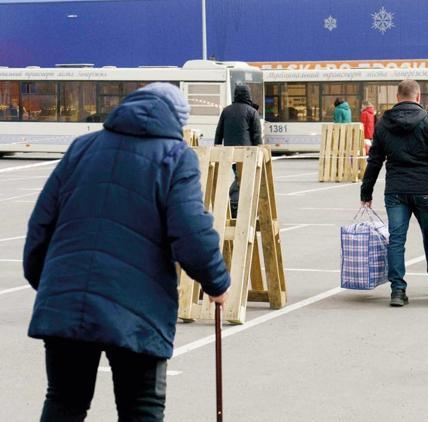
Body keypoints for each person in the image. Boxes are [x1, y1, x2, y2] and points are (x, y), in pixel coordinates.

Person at [24, 83, 231, 421]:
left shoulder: (82, 147)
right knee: (141, 408)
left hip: (67, 297)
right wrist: (217, 282)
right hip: (137, 305)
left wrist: (48, 285)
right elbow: (191, 230)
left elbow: (40, 226)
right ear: (177, 122)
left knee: (64, 400)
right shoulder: (175, 157)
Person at [360, 79, 428, 307]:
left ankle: (398, 290)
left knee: (396, 240)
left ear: (398, 97)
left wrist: (366, 192)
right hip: (425, 189)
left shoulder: (384, 124)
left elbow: (374, 161)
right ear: (418, 97)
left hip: (396, 191)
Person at [214, 84, 263, 217]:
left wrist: (217, 148)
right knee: (243, 179)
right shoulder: (252, 112)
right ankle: (236, 205)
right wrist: (260, 152)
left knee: (238, 176)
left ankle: (236, 204)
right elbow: (257, 135)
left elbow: (219, 133)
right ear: (248, 95)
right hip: (248, 153)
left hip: (229, 152)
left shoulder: (226, 111)